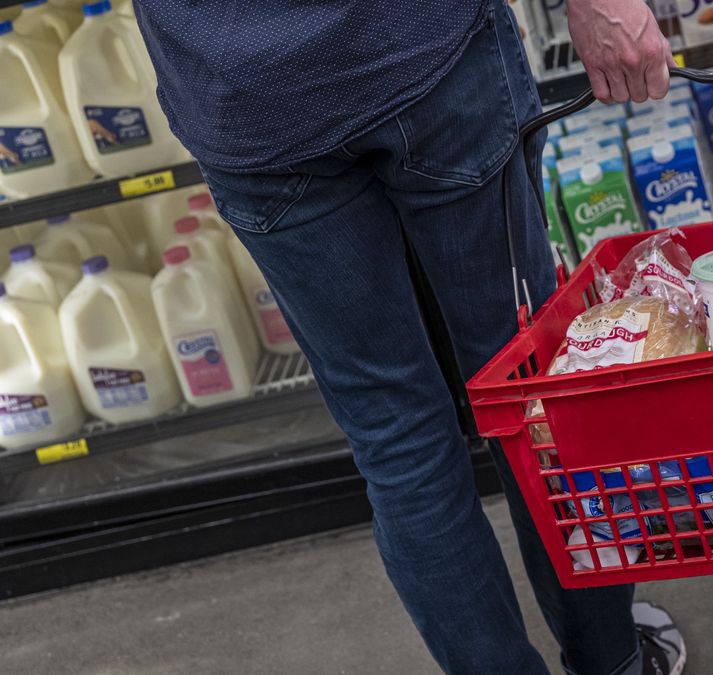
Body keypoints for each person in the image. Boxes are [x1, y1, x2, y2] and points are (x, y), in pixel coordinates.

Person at [131, 0, 684, 673]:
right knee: (532, 394)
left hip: (247, 100)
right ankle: (613, 663)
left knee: (398, 440)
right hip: (421, 55)